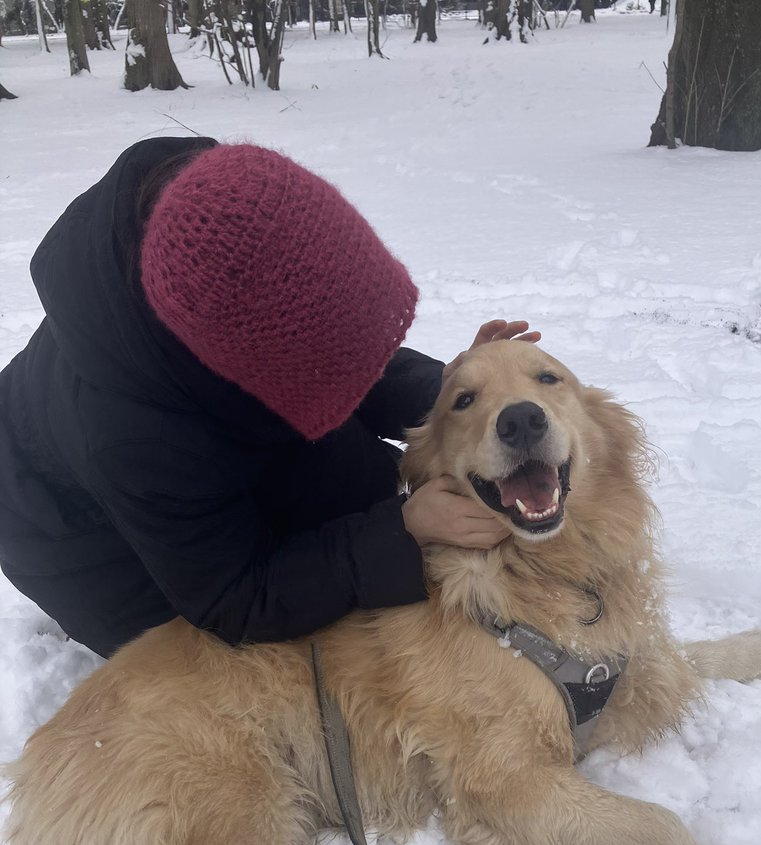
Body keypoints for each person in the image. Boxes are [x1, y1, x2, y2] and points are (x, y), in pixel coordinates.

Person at [0, 137, 539, 658]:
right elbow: (236, 598)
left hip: (181, 417)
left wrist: (450, 395)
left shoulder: (225, 210)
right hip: (66, 531)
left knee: (355, 487)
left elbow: (336, 349)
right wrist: (404, 530)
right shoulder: (135, 440)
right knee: (244, 663)